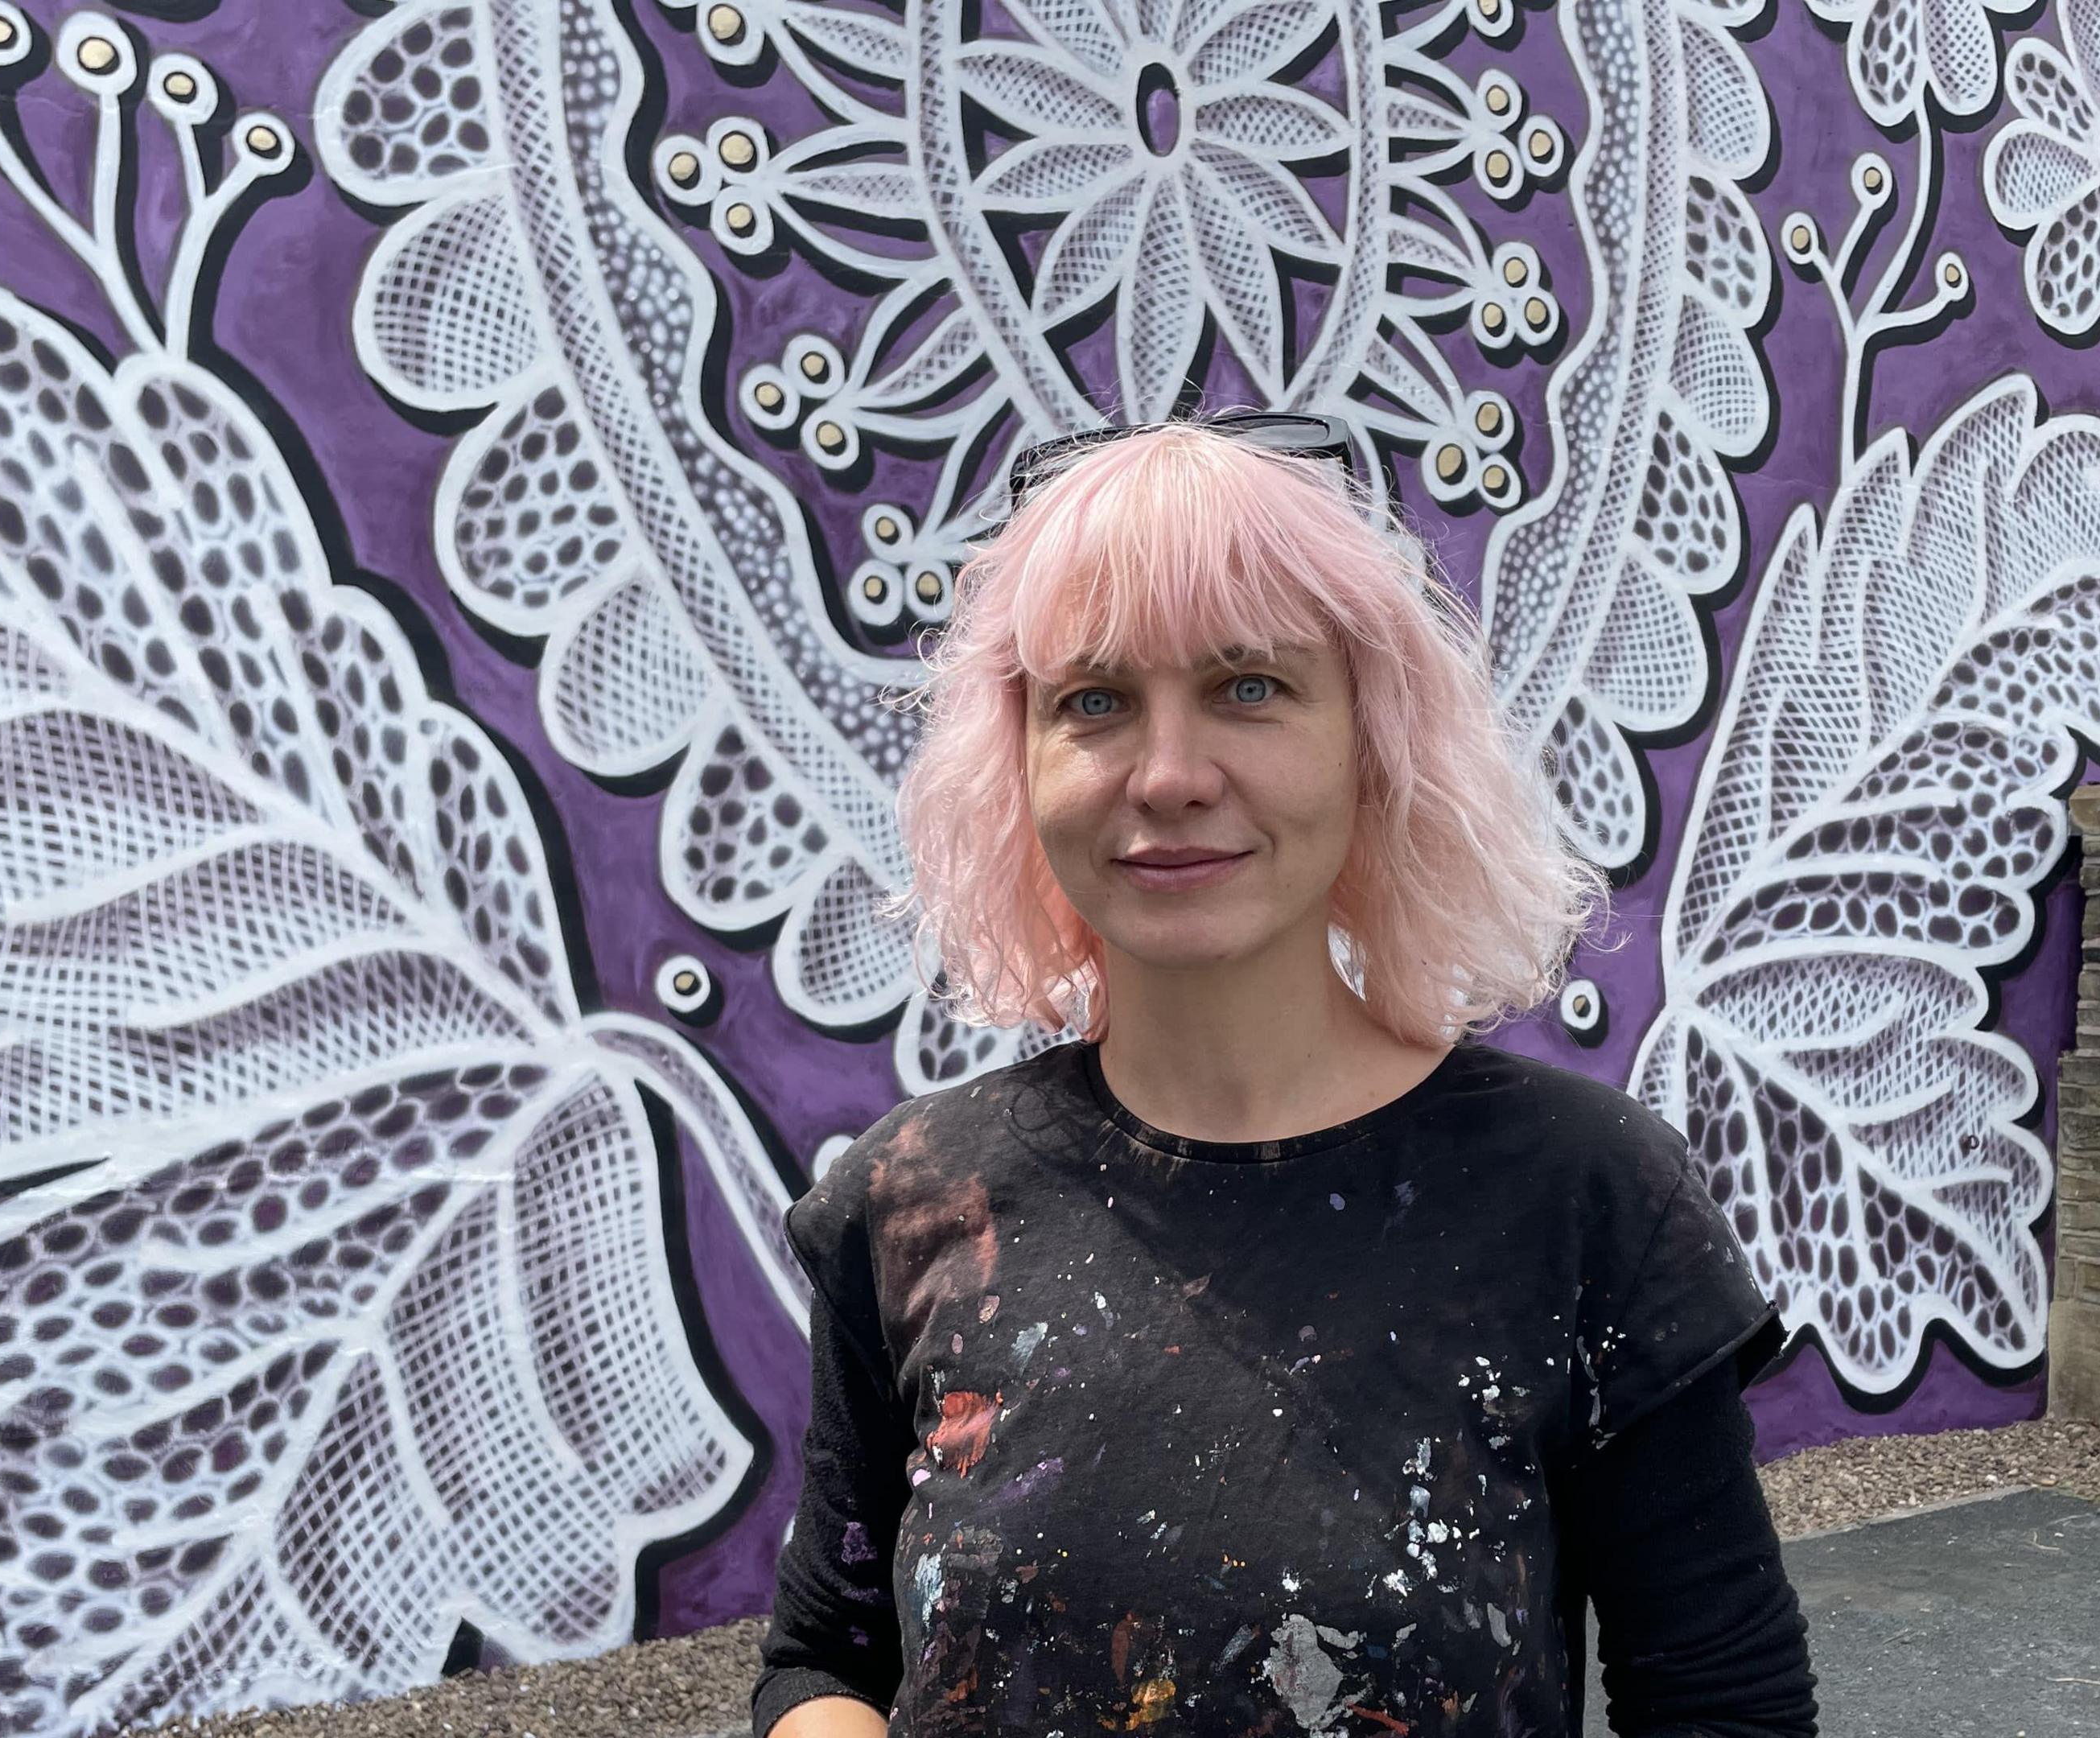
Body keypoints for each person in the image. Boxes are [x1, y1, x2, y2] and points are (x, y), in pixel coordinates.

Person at [753, 415, 1817, 1737]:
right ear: (1017, 764)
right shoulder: (914, 1204)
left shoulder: (1584, 1197)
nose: (1172, 775)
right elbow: (823, 1659)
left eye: (1250, 685)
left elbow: (1723, 1709)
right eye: (1094, 702)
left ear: (1372, 742)